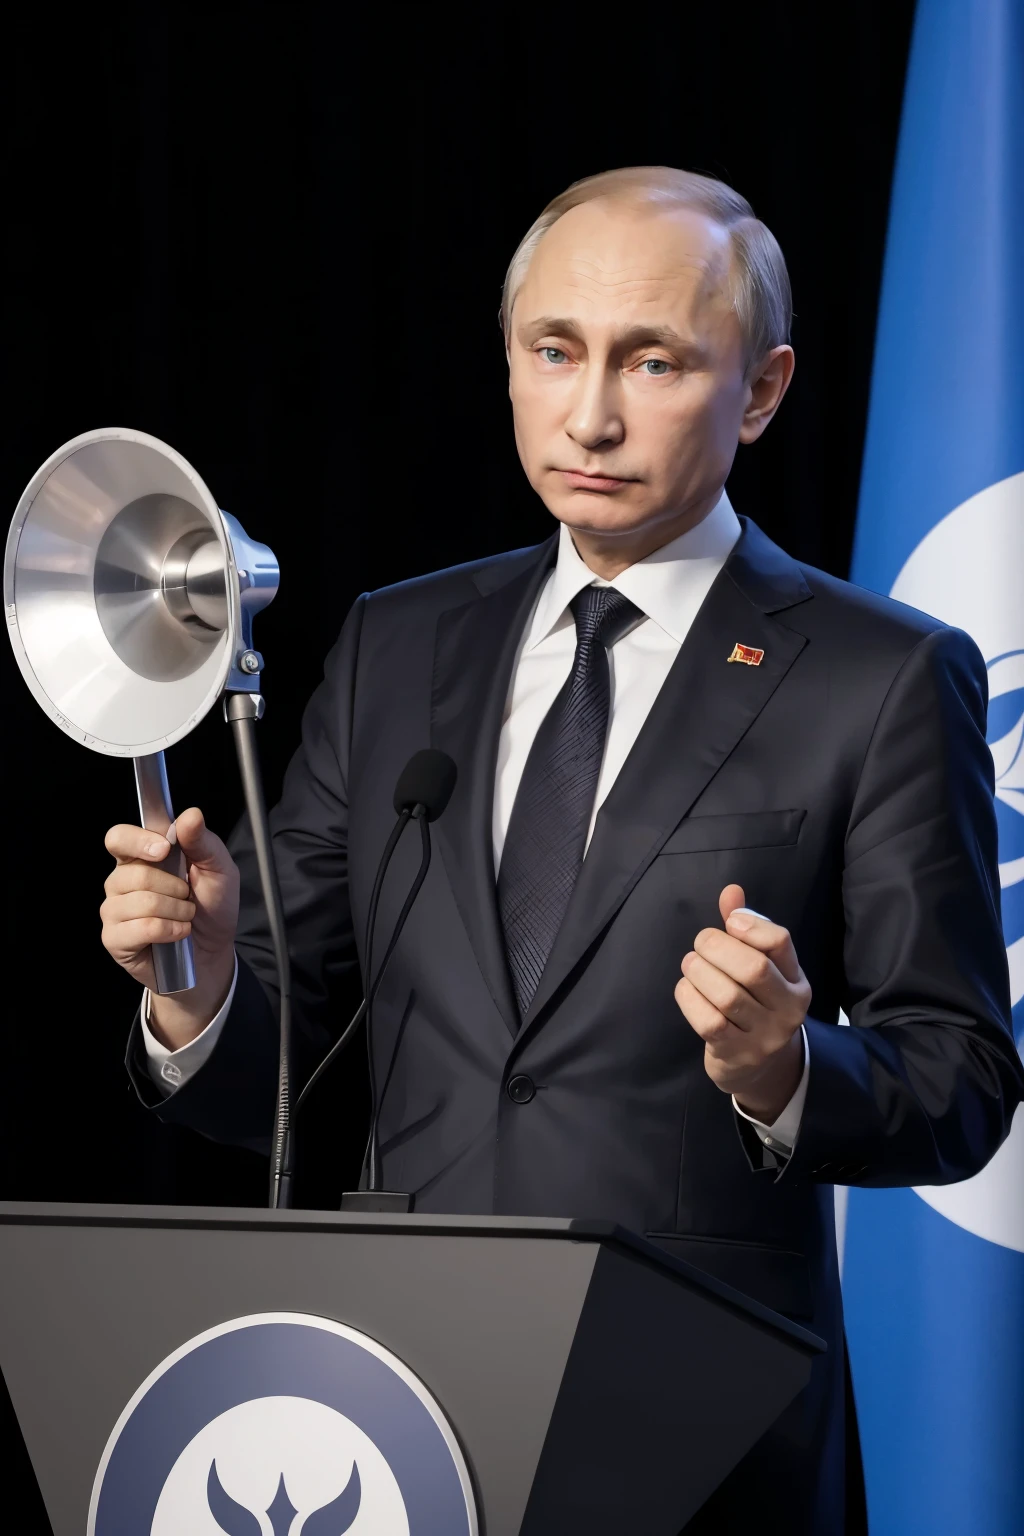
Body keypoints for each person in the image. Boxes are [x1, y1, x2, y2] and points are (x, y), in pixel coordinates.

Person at [100, 167, 1024, 1533]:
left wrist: (782, 1068)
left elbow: (960, 1082)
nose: (590, 414)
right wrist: (198, 987)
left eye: (653, 362)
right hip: (393, 1413)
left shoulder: (881, 678)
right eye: (555, 352)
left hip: (702, 1440)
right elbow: (281, 1088)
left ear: (761, 391)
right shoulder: (397, 645)